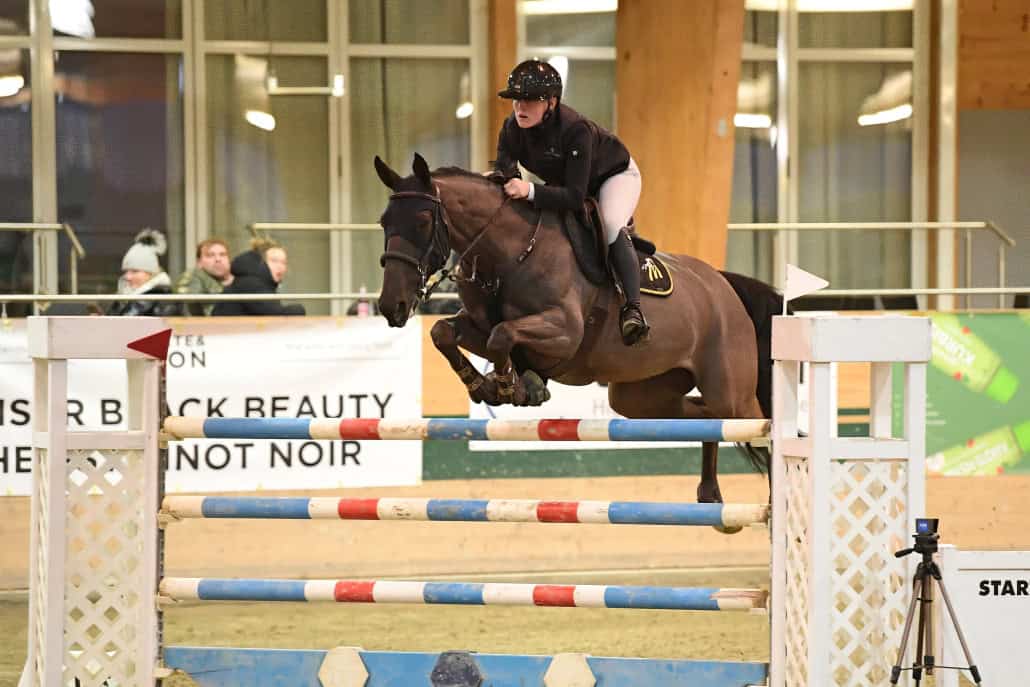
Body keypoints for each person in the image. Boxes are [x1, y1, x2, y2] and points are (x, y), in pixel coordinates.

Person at [492, 59, 649, 346]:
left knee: (612, 225)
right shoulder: (511, 128)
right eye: (516, 100)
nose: (520, 108)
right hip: (568, 181)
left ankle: (633, 309)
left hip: (613, 176)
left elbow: (575, 197)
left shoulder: (575, 129)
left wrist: (528, 190)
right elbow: (505, 172)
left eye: (529, 100)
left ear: (551, 102)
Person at [212, 238, 305, 316]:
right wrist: (299, 309)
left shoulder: (256, 281)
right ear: (261, 262)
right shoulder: (251, 283)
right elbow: (276, 315)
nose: (280, 266)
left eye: (283, 262)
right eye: (274, 261)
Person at [106, 228, 182, 317]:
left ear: (151, 273)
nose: (127, 276)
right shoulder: (124, 297)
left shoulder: (165, 300)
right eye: (126, 271)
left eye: (135, 271)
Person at [175, 238, 233, 316]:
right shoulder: (194, 276)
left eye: (222, 254)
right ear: (199, 262)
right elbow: (187, 306)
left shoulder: (239, 279)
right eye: (210, 255)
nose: (218, 259)